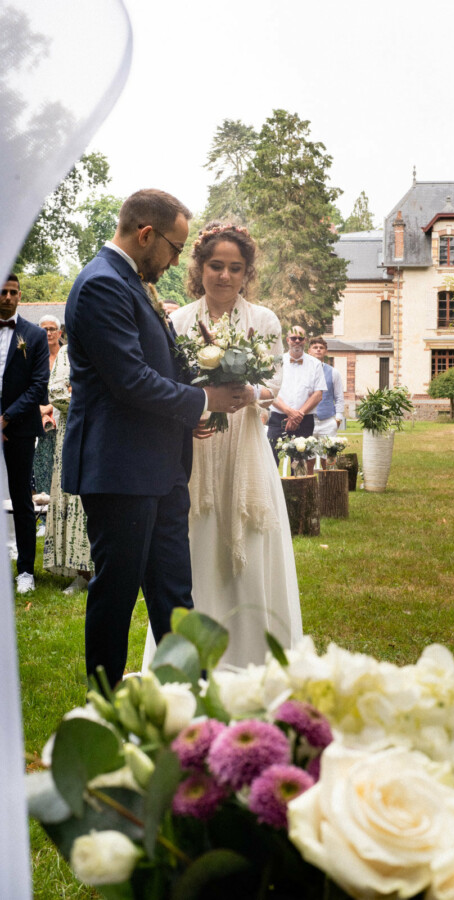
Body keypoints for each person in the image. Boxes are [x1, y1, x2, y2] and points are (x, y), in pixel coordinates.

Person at [62, 190, 245, 688]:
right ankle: (104, 704)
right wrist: (205, 404)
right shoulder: (102, 284)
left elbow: (158, 364)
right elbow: (130, 379)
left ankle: (188, 702)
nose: (175, 261)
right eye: (174, 248)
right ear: (146, 235)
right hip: (120, 469)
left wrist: (197, 396)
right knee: (116, 595)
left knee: (173, 595)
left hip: (160, 468)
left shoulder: (132, 281)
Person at [143, 222, 302, 669]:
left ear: (246, 272)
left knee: (250, 546)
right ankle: (191, 658)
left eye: (235, 268)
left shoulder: (264, 320)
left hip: (245, 449)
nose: (225, 276)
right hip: (196, 447)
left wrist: (251, 394)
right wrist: (189, 414)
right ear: (199, 268)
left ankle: (253, 658)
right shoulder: (177, 321)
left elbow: (273, 383)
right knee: (191, 545)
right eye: (216, 266)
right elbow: (169, 386)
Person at [0, 274, 50, 594]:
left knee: (21, 499)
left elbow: (37, 386)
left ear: (20, 296)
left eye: (12, 292)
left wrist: (6, 418)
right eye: (2, 292)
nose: (6, 297)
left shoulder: (33, 336)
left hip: (17, 427)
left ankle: (26, 572)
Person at [43, 344, 94, 594]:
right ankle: (82, 572)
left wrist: (82, 392)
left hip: (109, 434)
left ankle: (108, 570)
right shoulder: (67, 352)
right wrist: (95, 398)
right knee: (76, 501)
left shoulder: (115, 342)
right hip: (72, 434)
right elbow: (57, 393)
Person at [267, 325, 326, 466]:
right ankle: (272, 488)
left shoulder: (316, 364)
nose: (297, 341)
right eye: (294, 338)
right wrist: (289, 412)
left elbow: (318, 394)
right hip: (278, 419)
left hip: (304, 420)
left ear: (305, 340)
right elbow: (269, 391)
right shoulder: (276, 362)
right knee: (271, 461)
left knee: (300, 463)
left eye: (300, 338)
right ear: (288, 340)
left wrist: (298, 414)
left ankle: (298, 488)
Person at [33, 315, 62, 537]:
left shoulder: (68, 356)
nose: (48, 333)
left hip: (64, 416)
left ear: (60, 333)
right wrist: (40, 411)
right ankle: (43, 518)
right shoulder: (35, 356)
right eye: (44, 329)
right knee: (42, 466)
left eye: (52, 329)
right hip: (41, 419)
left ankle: (61, 517)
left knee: (62, 468)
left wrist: (51, 407)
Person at [308, 336, 345, 465]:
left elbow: (339, 397)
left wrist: (338, 419)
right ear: (309, 351)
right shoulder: (303, 371)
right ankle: (309, 484)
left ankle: (328, 483)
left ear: (326, 351)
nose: (318, 350)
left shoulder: (334, 372)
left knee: (329, 457)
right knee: (308, 457)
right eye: (315, 347)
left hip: (328, 421)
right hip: (308, 420)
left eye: (321, 348)